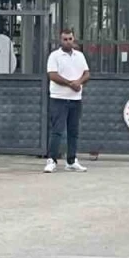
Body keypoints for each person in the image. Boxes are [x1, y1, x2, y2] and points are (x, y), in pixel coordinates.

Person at [45, 28, 90, 174]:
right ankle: (52, 160)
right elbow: (52, 75)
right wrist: (70, 84)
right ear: (60, 40)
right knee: (57, 131)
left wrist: (79, 82)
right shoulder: (54, 56)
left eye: (70, 39)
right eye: (65, 39)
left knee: (73, 131)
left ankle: (71, 160)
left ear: (73, 39)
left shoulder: (80, 56)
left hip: (75, 99)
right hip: (59, 98)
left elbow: (87, 73)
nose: (68, 42)